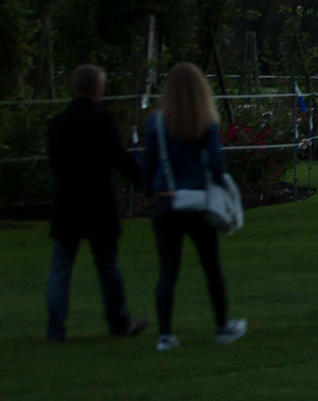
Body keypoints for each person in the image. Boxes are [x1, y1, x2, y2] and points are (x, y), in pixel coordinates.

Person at [142, 62, 245, 351]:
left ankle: (165, 334)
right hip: (197, 201)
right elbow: (215, 163)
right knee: (211, 266)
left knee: (168, 271)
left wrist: (148, 191)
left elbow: (148, 163)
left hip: (166, 201)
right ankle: (222, 325)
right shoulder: (205, 122)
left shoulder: (156, 123)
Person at [45, 64, 147, 343]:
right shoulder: (102, 120)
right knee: (108, 266)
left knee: (61, 267)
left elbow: (55, 165)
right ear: (97, 88)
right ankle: (118, 321)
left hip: (67, 203)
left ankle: (55, 329)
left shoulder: (57, 124)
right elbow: (118, 157)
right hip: (98, 204)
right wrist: (145, 181)